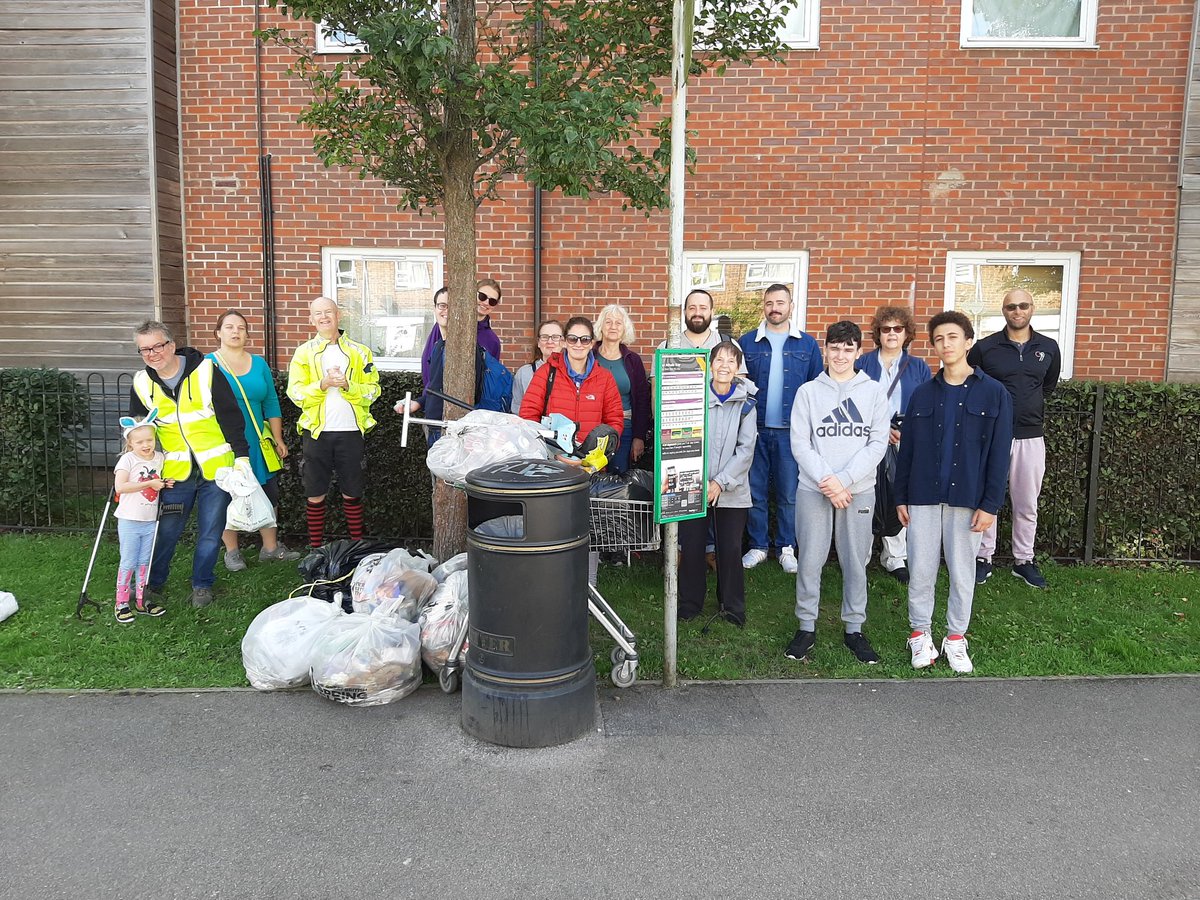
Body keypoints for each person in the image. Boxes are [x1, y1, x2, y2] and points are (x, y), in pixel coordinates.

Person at [894, 311, 1012, 674]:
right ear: (933, 346)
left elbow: (998, 453)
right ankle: (920, 634)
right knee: (921, 571)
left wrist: (990, 504)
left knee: (963, 573)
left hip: (969, 501)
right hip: (923, 497)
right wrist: (900, 496)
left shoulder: (994, 394)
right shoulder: (922, 394)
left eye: (953, 337)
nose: (946, 344)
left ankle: (956, 638)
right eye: (939, 339)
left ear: (968, 342)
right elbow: (908, 451)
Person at [785, 321, 890, 664]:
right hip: (814, 489)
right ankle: (806, 627)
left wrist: (844, 480)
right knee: (810, 560)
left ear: (859, 352)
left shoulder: (873, 392)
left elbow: (877, 444)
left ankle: (854, 629)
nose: (841, 355)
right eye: (835, 348)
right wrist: (829, 481)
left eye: (849, 349)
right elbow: (800, 443)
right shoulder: (808, 392)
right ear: (825, 350)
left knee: (856, 561)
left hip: (857, 491)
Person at [128, 321, 251, 609]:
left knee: (211, 531)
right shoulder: (142, 383)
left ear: (171, 345)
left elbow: (231, 418)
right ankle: (152, 583)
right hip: (175, 473)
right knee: (166, 531)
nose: (152, 354)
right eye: (144, 349)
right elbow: (138, 430)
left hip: (217, 469)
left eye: (157, 346)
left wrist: (242, 458)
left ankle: (202, 584)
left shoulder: (207, 371)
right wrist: (135, 463)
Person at [967, 288, 1062, 589]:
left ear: (1032, 308)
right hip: (992, 435)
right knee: (987, 498)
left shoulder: (1048, 347)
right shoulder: (986, 347)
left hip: (1031, 435)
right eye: (1011, 306)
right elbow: (971, 382)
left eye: (1023, 306)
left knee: (1026, 502)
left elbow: (1047, 385)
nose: (1017, 311)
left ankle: (1024, 560)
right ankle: (983, 557)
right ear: (1003, 310)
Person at [519, 315, 624, 586]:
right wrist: (552, 453)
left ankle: (588, 587)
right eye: (573, 338)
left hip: (589, 468)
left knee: (589, 526)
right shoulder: (548, 373)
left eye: (585, 339)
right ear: (565, 342)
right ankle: (552, 586)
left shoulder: (604, 378)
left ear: (593, 343)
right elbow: (528, 416)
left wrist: (592, 460)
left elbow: (614, 424)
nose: (579, 343)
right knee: (552, 526)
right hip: (552, 464)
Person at [737, 283, 823, 574]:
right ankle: (758, 546)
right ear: (764, 306)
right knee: (756, 491)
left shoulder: (807, 344)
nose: (774, 308)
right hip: (755, 429)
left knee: (789, 493)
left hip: (791, 432)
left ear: (790, 306)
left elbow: (816, 389)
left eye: (780, 303)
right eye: (769, 303)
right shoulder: (746, 342)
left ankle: (787, 547)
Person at [207, 310, 300, 570]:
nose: (235, 332)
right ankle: (232, 551)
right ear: (218, 333)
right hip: (222, 441)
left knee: (268, 493)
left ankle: (270, 548)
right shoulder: (207, 364)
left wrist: (278, 438)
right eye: (229, 327)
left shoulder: (259, 364)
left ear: (247, 334)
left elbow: (271, 403)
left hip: (257, 441)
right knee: (227, 494)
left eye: (241, 327)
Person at [287, 296, 381, 549]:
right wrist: (322, 385)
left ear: (338, 315)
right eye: (317, 313)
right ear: (311, 319)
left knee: (353, 492)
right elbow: (294, 393)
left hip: (351, 431)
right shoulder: (303, 353)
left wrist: (349, 386)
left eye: (328, 311)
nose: (324, 317)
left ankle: (356, 548)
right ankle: (316, 549)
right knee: (315, 493)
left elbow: (374, 391)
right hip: (316, 433)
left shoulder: (360, 351)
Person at [678, 342, 757, 626]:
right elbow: (684, 441)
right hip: (695, 484)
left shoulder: (747, 403)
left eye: (731, 361)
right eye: (719, 360)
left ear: (738, 367)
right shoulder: (693, 398)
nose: (724, 365)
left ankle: (732, 606)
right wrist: (702, 481)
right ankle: (689, 603)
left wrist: (720, 483)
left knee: (730, 548)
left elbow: (746, 450)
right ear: (710, 365)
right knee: (692, 545)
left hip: (732, 488)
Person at [857, 305, 933, 584]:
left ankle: (894, 556)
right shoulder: (863, 363)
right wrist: (879, 428)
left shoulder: (918, 367)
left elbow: (927, 407)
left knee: (901, 494)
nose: (891, 333)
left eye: (897, 329)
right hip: (866, 439)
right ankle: (860, 555)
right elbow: (852, 402)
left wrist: (906, 431)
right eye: (885, 329)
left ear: (906, 333)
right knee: (865, 495)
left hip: (904, 439)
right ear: (878, 333)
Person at [403, 288, 512, 443]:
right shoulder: (438, 344)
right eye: (442, 305)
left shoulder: (476, 346)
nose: (486, 302)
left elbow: (481, 387)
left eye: (492, 301)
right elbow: (434, 383)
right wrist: (421, 402)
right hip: (435, 421)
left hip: (464, 426)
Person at [111, 414, 171, 623]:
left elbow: (158, 481)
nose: (146, 445)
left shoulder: (159, 457)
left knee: (144, 561)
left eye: (149, 440)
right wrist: (149, 484)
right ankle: (121, 603)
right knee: (128, 561)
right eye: (139, 442)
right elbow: (121, 487)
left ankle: (141, 600)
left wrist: (164, 483)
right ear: (130, 443)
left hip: (149, 520)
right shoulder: (128, 459)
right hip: (129, 520)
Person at [594, 304, 650, 473]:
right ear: (600, 327)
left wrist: (638, 437)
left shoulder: (633, 361)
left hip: (624, 431)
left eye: (618, 323)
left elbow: (642, 401)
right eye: (608, 322)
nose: (613, 327)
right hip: (592, 429)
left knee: (618, 482)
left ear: (624, 328)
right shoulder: (589, 357)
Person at [419, 279, 502, 383]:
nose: (486, 302)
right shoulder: (446, 324)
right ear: (472, 294)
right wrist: (429, 394)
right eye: (482, 296)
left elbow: (490, 378)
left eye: (492, 301)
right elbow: (428, 360)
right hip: (438, 394)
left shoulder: (492, 341)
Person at [511, 318, 563, 414]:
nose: (550, 341)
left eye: (555, 337)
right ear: (538, 342)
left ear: (563, 342)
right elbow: (516, 408)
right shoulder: (524, 373)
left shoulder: (571, 372)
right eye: (545, 337)